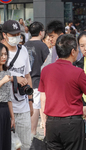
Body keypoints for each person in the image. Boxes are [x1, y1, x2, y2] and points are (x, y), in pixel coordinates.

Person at [38, 34, 86, 150]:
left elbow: (43, 98)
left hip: (52, 122)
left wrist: (44, 121)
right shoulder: (77, 72)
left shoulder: (46, 70)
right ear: (72, 51)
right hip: (72, 123)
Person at [2, 20, 33, 149]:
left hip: (22, 106)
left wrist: (31, 102)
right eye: (12, 35)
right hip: (3, 108)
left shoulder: (23, 50)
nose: (16, 37)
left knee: (25, 145)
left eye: (18, 34)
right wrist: (15, 78)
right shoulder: (1, 51)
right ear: (4, 35)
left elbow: (27, 76)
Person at [24, 21, 49, 137]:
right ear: (41, 32)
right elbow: (47, 64)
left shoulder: (24, 45)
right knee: (36, 106)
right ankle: (33, 132)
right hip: (38, 82)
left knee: (28, 105)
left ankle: (28, 132)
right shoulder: (43, 46)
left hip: (25, 82)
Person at [0, 43, 15, 150]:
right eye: (1, 55)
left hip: (5, 110)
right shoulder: (5, 76)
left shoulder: (7, 72)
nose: (4, 57)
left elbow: (9, 97)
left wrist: (12, 117)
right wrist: (2, 81)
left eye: (5, 54)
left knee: (6, 142)